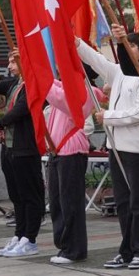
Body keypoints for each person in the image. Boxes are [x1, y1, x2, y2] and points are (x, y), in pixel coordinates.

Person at [78, 30, 139, 271]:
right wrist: (73, 40)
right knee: (122, 201)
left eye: (129, 46)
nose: (124, 50)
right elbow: (93, 58)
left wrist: (107, 116)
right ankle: (127, 249)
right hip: (115, 147)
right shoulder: (118, 71)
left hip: (136, 149)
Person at [0, 54, 44, 258]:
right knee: (16, 195)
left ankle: (30, 238)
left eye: (13, 62)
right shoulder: (15, 83)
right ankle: (19, 234)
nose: (9, 66)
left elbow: (20, 110)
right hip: (9, 147)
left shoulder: (32, 85)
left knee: (29, 195)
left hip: (25, 148)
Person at [45, 78, 97, 265]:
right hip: (58, 151)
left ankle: (74, 249)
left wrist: (38, 78)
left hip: (71, 150)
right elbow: (57, 85)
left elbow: (57, 96)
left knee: (70, 203)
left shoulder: (81, 93)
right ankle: (65, 245)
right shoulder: (69, 87)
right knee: (57, 201)